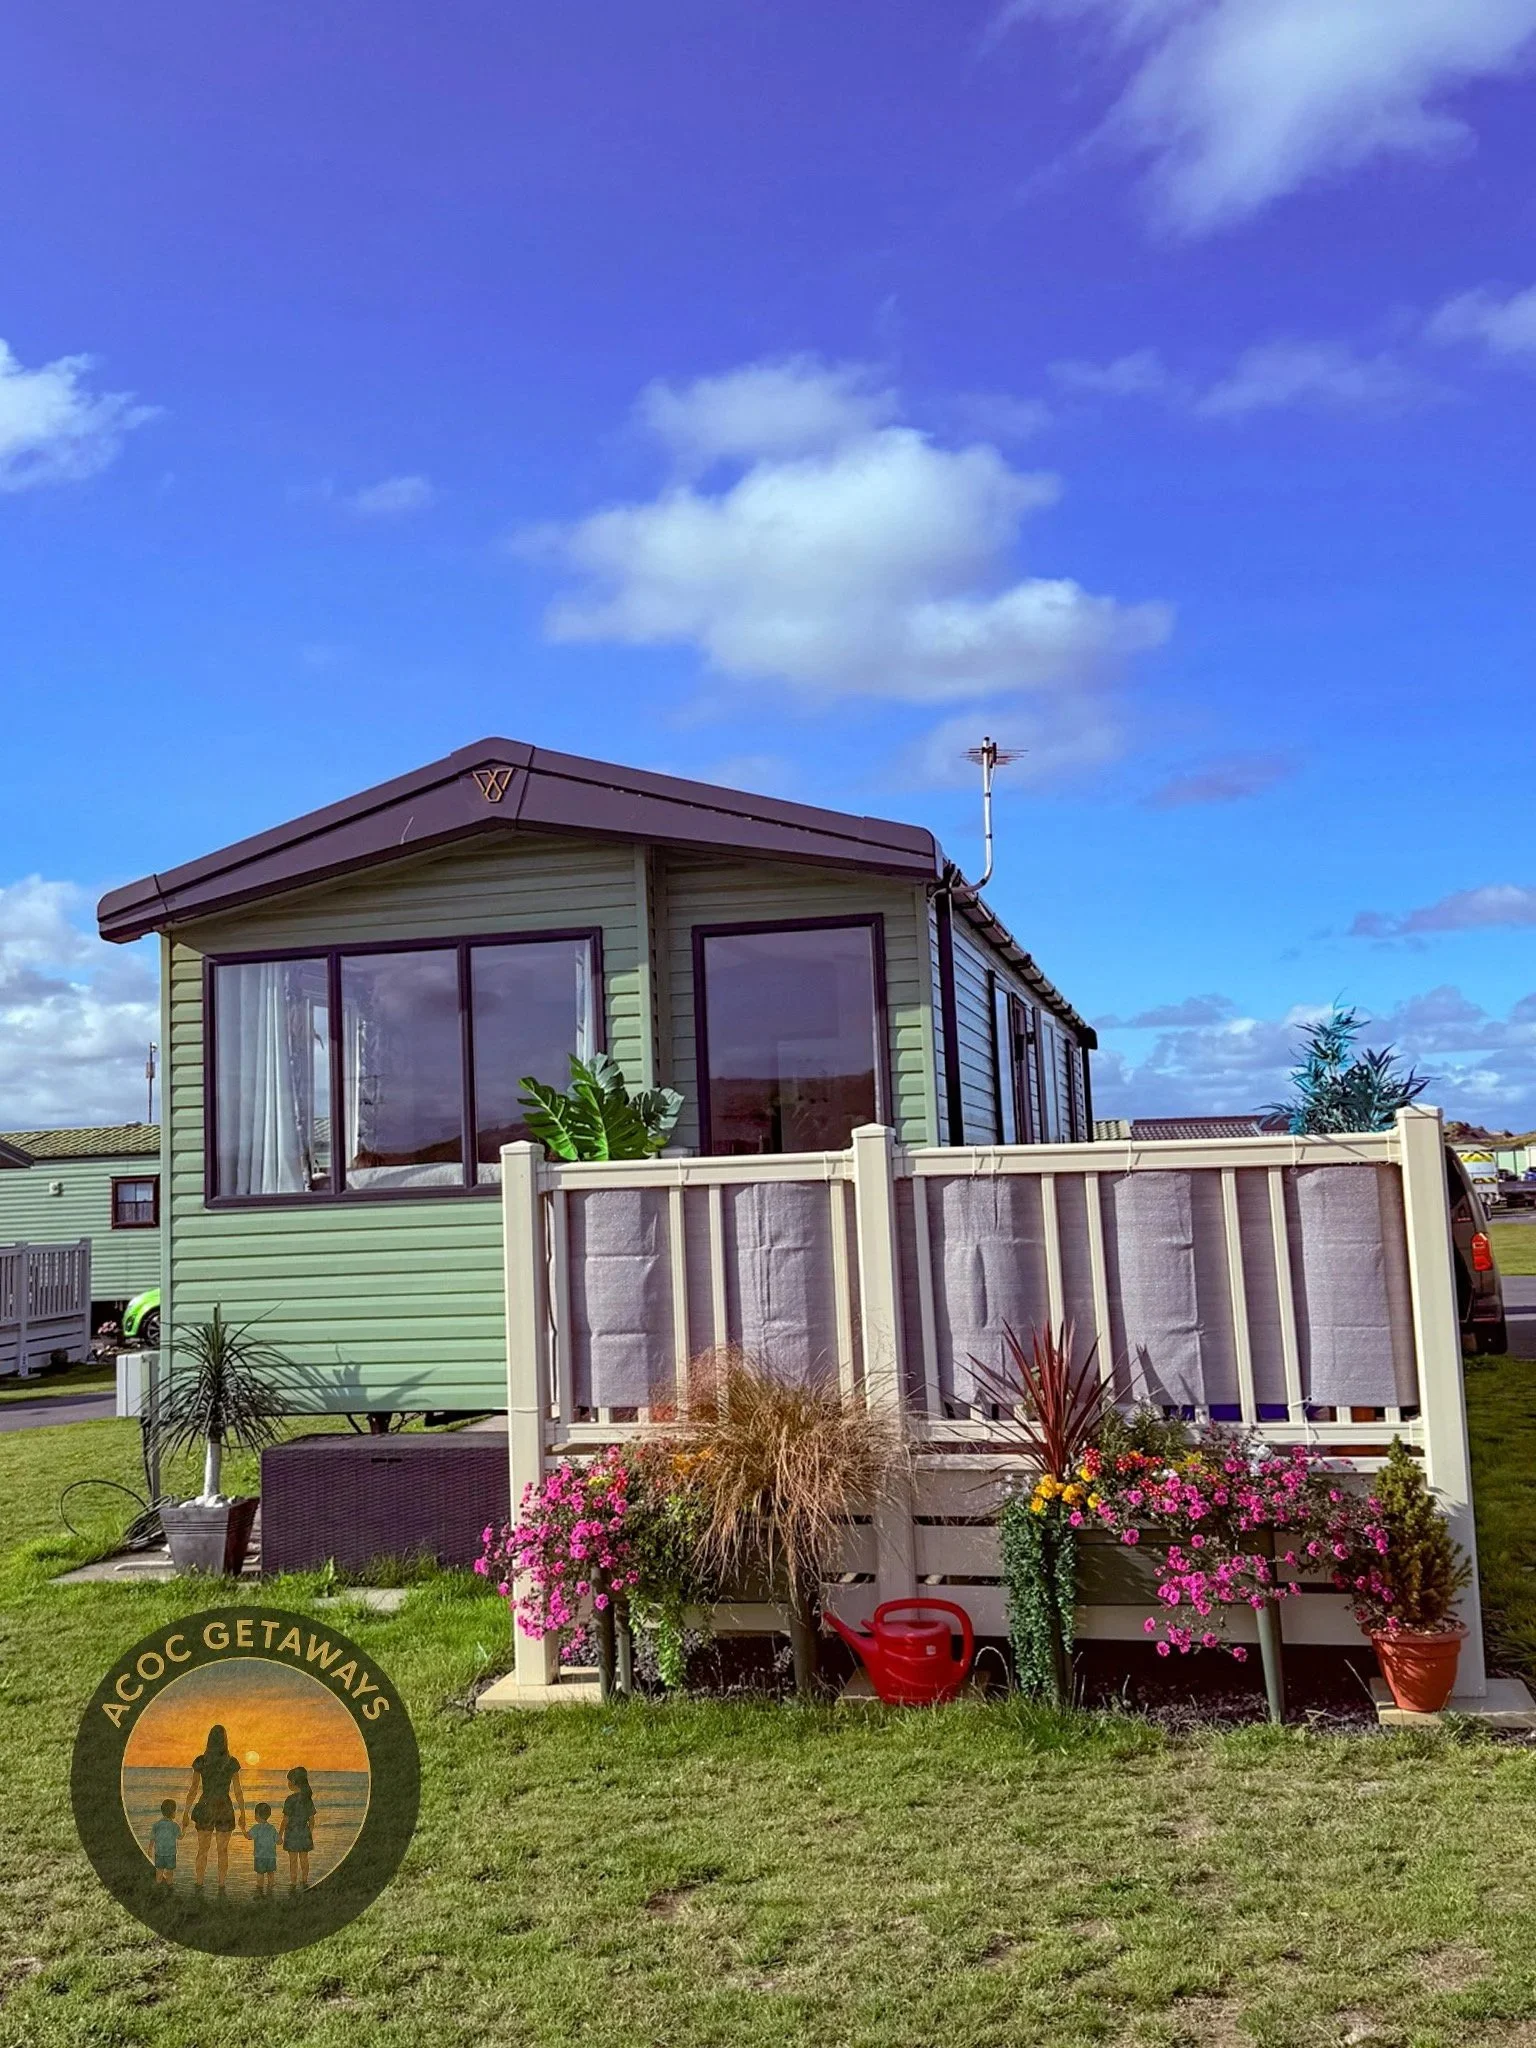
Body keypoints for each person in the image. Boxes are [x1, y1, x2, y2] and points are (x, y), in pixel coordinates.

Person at [180, 1724, 246, 1895]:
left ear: (209, 1740)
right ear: (225, 1740)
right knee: (222, 1851)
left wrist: (186, 1812)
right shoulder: (231, 1762)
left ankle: (199, 1884)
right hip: (224, 1807)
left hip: (205, 1806)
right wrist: (243, 1813)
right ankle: (222, 1887)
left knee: (202, 1849)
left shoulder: (201, 1761)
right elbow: (238, 1790)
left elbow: (194, 1788)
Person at [280, 1767, 316, 1893]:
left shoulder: (290, 1799)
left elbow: (285, 1819)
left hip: (291, 1833)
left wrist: (280, 1834)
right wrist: (309, 1833)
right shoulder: (307, 1799)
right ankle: (304, 1881)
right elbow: (312, 1820)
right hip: (304, 1832)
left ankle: (293, 1883)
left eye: (289, 1780)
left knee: (293, 1860)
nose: (288, 1783)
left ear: (294, 1782)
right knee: (304, 1859)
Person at [245, 1802, 279, 1899]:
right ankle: (270, 1890)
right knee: (271, 1873)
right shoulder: (272, 1828)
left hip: (259, 1856)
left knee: (260, 1874)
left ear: (257, 1815)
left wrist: (243, 1829)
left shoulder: (256, 1828)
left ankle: (260, 1890)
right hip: (271, 1856)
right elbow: (279, 1841)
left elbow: (248, 1836)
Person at [148, 1799, 181, 1886]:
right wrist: (185, 1827)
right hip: (170, 1854)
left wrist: (150, 1849)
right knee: (169, 1873)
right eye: (175, 1811)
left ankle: (158, 1887)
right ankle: (169, 1887)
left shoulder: (157, 1825)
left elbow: (152, 1838)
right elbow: (180, 1837)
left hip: (159, 1853)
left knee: (159, 1872)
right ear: (173, 1812)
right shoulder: (174, 1826)